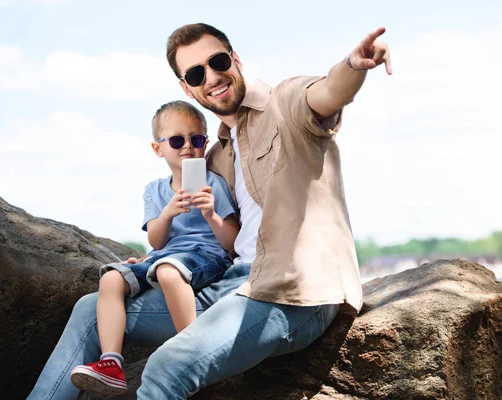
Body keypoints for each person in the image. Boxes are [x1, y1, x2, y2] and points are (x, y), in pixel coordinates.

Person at [27, 23, 391, 399]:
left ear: (236, 59)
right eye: (197, 73)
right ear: (187, 88)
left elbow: (328, 92)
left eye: (218, 62)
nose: (212, 77)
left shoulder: (284, 102)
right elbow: (210, 234)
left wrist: (354, 64)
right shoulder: (215, 154)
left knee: (167, 366)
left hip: (293, 294)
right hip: (230, 285)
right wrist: (158, 256)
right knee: (91, 309)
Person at [69, 100, 239, 395]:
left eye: (196, 139)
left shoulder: (214, 184)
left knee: (169, 273)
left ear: (205, 143)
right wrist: (168, 213)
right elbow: (156, 241)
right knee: (111, 277)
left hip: (205, 257)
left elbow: (231, 242)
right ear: (158, 148)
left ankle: (191, 354)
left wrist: (211, 214)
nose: (187, 146)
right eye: (176, 140)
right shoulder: (154, 190)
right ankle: (111, 362)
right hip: (163, 256)